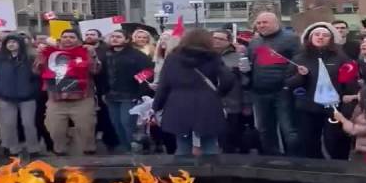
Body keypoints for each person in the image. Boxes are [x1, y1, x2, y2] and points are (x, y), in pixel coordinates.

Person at [153, 28, 234, 156]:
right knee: (210, 142)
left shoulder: (173, 58)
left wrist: (157, 106)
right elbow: (228, 79)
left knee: (182, 143)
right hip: (208, 102)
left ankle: (183, 174)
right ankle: (211, 173)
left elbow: (164, 85)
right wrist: (219, 93)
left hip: (178, 102)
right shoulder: (213, 57)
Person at [286, 22, 354, 159]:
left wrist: (347, 108)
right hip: (307, 108)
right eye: (316, 34)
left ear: (331, 39)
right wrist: (301, 76)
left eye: (325, 35)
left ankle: (339, 171)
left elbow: (350, 85)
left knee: (334, 143)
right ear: (309, 38)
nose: (320, 37)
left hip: (334, 109)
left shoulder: (341, 58)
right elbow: (289, 84)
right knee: (309, 144)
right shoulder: (299, 58)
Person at [242, 11, 301, 156]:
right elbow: (251, 64)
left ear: (276, 23)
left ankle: (295, 160)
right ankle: (270, 159)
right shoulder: (254, 42)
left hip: (283, 91)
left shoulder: (291, 39)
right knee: (264, 129)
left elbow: (299, 63)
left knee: (288, 129)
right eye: (259, 23)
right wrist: (245, 71)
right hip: (259, 91)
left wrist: (289, 83)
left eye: (265, 22)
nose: (261, 25)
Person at [36, 29, 102, 156]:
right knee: (55, 130)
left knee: (86, 130)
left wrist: (92, 55)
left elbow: (95, 70)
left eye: (72, 37)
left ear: (78, 39)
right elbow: (36, 70)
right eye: (65, 36)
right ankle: (61, 155)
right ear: (60, 39)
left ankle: (88, 157)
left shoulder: (86, 51)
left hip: (82, 99)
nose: (68, 39)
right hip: (56, 99)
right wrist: (41, 55)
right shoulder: (50, 53)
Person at [100, 29, 155, 153]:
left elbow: (147, 72)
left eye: (118, 37)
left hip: (130, 95)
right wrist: (104, 91)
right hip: (111, 96)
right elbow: (102, 75)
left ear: (126, 40)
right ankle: (126, 148)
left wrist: (140, 93)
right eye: (113, 36)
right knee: (116, 124)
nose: (115, 39)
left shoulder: (136, 55)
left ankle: (136, 148)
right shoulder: (106, 54)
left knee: (127, 123)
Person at [0, 34, 43, 159]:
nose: (11, 44)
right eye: (8, 42)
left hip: (27, 97)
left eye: (14, 42)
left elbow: (37, 77)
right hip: (6, 97)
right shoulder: (0, 59)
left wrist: (32, 90)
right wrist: (1, 89)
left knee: (28, 123)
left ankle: (33, 148)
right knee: (9, 124)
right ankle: (13, 148)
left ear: (20, 44)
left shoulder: (29, 58)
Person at [212, 29, 252, 154]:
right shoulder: (205, 57)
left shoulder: (237, 57)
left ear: (229, 41)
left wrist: (246, 104)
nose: (216, 41)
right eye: (214, 37)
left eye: (220, 39)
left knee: (231, 137)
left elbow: (246, 82)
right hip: (211, 102)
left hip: (232, 103)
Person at [333, 85, 366, 163]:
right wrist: (354, 97)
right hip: (365, 149)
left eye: (359, 95)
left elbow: (353, 129)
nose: (357, 95)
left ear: (365, 100)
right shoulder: (365, 110)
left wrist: (342, 119)